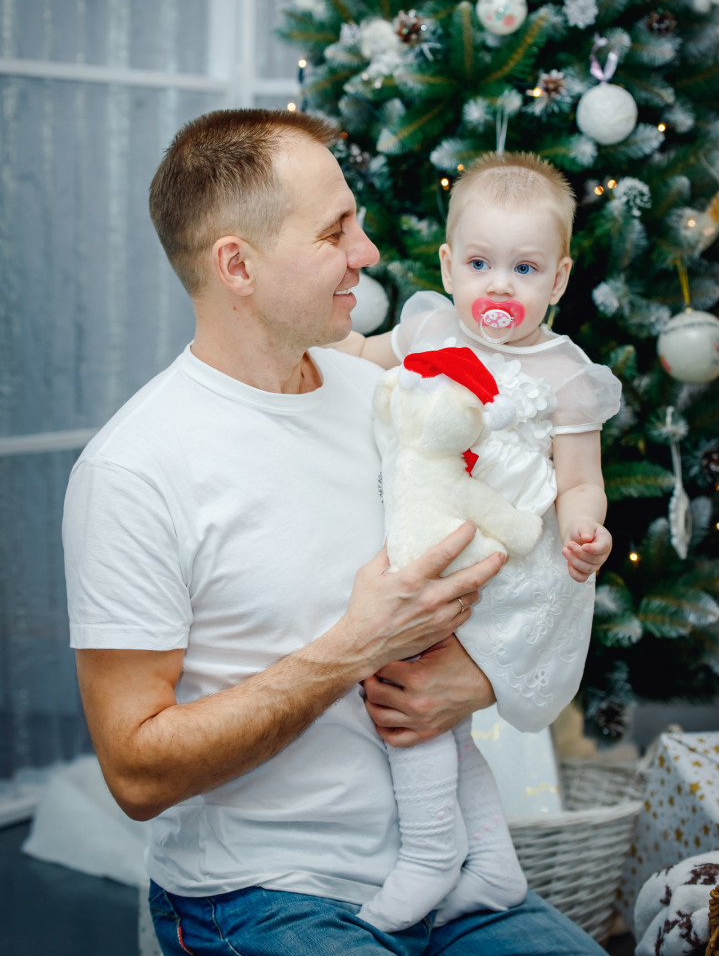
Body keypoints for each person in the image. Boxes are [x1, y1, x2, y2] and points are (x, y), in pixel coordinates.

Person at [64, 112, 606, 956]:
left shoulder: (397, 397)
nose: (368, 251)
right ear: (236, 265)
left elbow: (533, 562)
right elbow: (136, 773)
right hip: (265, 895)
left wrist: (482, 680)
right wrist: (355, 646)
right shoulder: (135, 470)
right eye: (334, 231)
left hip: (453, 871)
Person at [336, 151, 623, 932]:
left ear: (558, 279)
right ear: (446, 263)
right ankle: (490, 865)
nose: (498, 285)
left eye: (524, 267)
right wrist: (318, 355)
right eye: (479, 263)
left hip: (511, 563)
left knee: (412, 694)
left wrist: (584, 529)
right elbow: (364, 359)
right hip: (433, 535)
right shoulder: (427, 324)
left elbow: (579, 477)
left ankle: (432, 854)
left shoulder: (565, 373)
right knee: (434, 713)